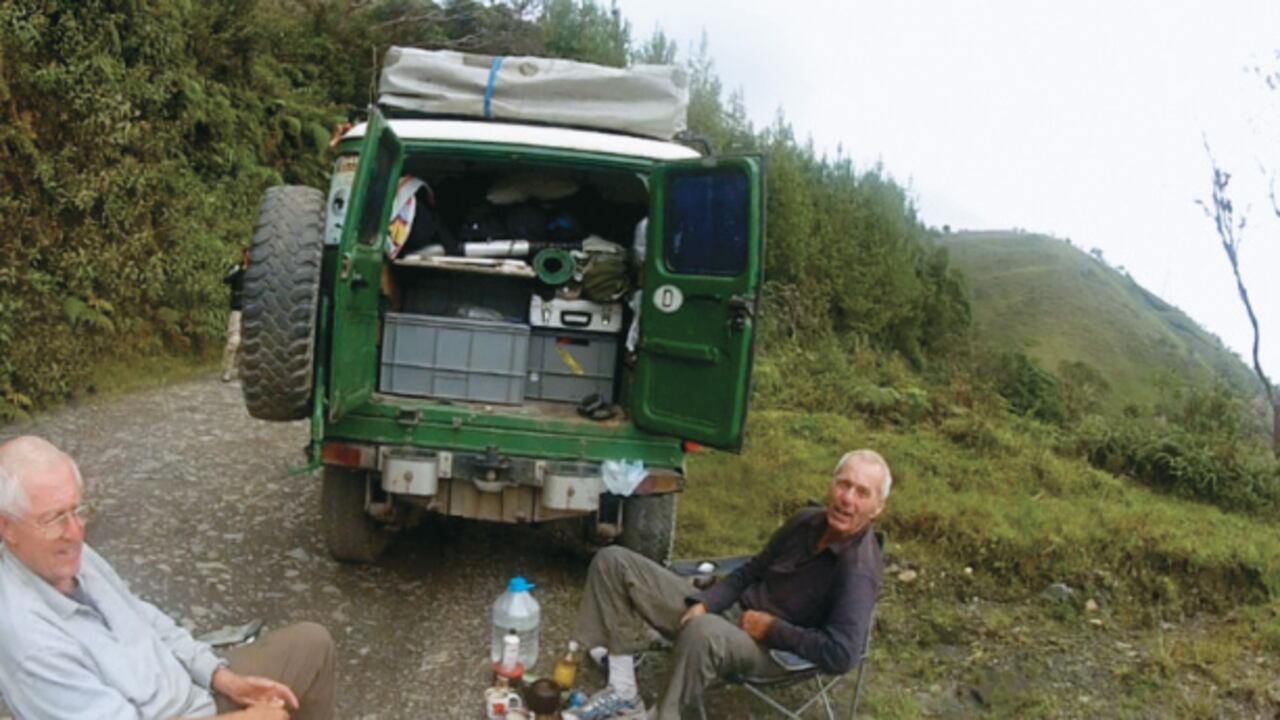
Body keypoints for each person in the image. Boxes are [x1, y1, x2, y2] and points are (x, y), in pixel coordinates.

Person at [0, 436, 337, 720]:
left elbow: (143, 617)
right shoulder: (29, 641)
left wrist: (225, 679)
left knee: (313, 644)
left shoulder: (67, 554)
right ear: (6, 527)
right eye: (54, 518)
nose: (75, 532)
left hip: (190, 692)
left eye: (77, 510)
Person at [566, 450, 890, 720]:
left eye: (862, 493)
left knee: (702, 632)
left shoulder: (858, 569)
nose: (847, 498)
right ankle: (623, 690)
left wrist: (772, 629)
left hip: (772, 650)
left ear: (877, 509)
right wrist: (708, 602)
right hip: (733, 614)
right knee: (614, 562)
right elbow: (750, 570)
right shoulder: (806, 520)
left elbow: (843, 654)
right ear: (831, 485)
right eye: (843, 484)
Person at [222, 249, 249, 383]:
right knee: (233, 342)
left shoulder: (259, 273)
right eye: (246, 255)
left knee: (248, 344)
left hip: (253, 313)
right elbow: (225, 280)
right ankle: (228, 369)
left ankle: (242, 369)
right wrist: (240, 270)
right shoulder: (236, 269)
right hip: (238, 310)